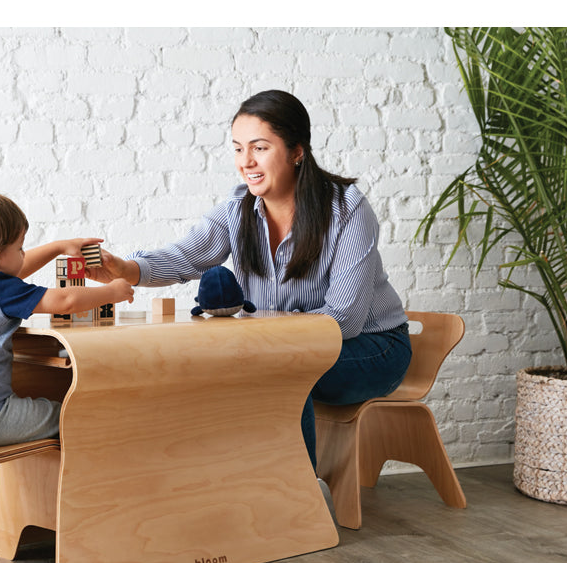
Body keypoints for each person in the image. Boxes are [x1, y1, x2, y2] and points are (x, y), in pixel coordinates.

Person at [88, 89, 411, 482]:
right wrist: (125, 269)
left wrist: (267, 343)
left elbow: (344, 320)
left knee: (283, 369)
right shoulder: (238, 206)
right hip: (285, 346)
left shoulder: (347, 209)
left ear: (296, 150)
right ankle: (231, 490)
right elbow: (187, 256)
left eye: (259, 147)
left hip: (373, 348)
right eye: (239, 149)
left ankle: (294, 503)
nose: (247, 162)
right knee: (226, 369)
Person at [0, 188, 135, 448]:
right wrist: (112, 291)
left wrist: (59, 247)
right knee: (75, 415)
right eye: (20, 247)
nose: (24, 253)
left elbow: (14, 271)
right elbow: (65, 301)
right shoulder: (1, 291)